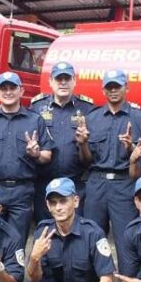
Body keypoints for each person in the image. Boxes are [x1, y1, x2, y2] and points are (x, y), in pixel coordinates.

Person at [0, 72, 54, 240]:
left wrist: (36, 154)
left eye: (12, 88)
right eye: (3, 88)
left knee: (17, 243)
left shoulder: (35, 120)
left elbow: (47, 155)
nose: (8, 92)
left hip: (22, 190)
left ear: (21, 91)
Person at [80, 69, 141, 260]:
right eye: (109, 87)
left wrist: (130, 147)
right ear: (103, 90)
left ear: (126, 87)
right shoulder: (92, 117)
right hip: (97, 184)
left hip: (124, 183)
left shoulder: (139, 117)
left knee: (127, 238)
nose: (113, 91)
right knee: (93, 237)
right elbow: (86, 160)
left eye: (117, 86)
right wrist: (83, 144)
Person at [29, 61, 95, 224]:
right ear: (51, 82)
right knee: (45, 230)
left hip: (75, 182)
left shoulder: (87, 108)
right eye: (59, 79)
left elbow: (91, 151)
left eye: (67, 78)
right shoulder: (37, 107)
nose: (63, 83)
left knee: (75, 231)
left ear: (74, 81)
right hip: (44, 182)